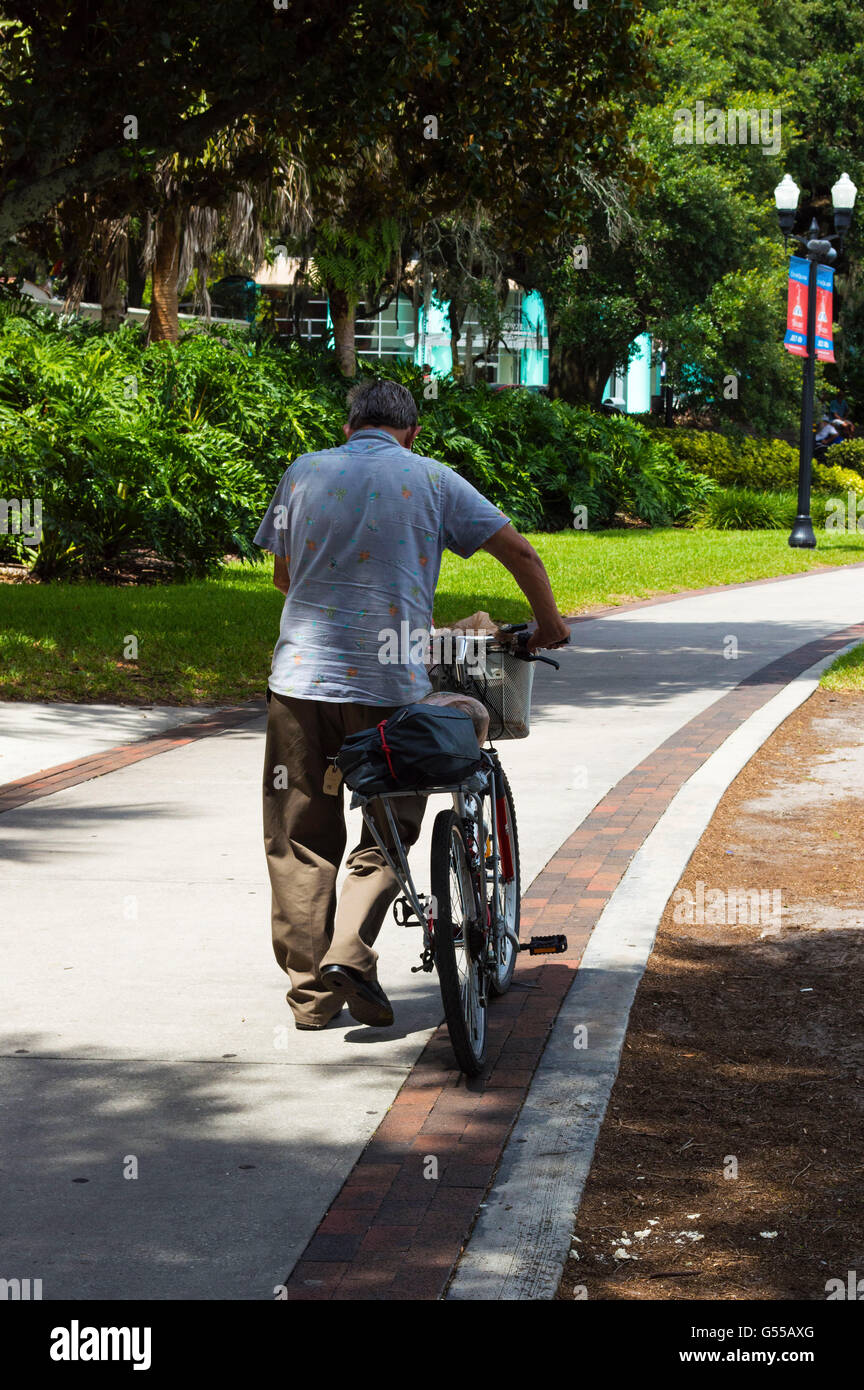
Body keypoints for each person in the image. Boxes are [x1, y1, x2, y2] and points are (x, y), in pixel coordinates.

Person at [254, 378, 570, 1031]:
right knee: (390, 826)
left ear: (349, 426)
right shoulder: (431, 479)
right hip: (388, 686)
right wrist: (548, 624)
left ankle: (312, 999)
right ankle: (351, 950)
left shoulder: (303, 473)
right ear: (412, 432)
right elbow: (519, 550)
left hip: (300, 684)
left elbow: (283, 577)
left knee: (299, 837)